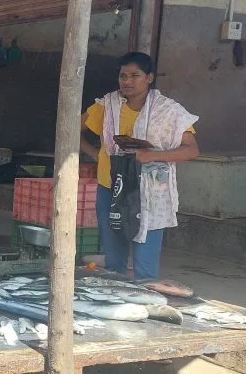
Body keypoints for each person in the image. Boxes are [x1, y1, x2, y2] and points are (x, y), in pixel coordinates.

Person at [80, 52, 199, 280]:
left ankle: (144, 303)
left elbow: (192, 149)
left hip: (150, 194)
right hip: (111, 189)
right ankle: (117, 301)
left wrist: (154, 156)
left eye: (135, 75)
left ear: (150, 77)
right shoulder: (107, 105)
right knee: (114, 260)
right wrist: (96, 154)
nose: (127, 81)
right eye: (123, 76)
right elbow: (70, 128)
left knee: (145, 264)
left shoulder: (168, 111)